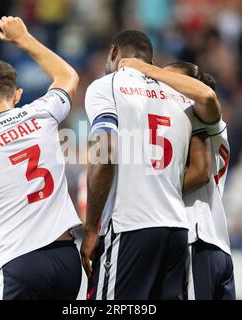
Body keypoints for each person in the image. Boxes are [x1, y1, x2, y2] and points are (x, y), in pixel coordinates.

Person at [0, 16, 82, 300]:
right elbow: (68, 76)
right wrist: (23, 38)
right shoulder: (42, 113)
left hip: (19, 263)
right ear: (17, 95)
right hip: (66, 258)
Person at [80, 30, 197, 300]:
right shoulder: (178, 93)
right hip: (177, 229)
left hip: (129, 226)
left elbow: (105, 151)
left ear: (113, 53)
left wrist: (91, 229)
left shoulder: (107, 85)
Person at [119, 58, 235, 300]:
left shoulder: (196, 114)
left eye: (167, 81)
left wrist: (148, 69)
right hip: (217, 243)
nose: (161, 87)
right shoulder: (201, 123)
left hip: (196, 237)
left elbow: (201, 172)